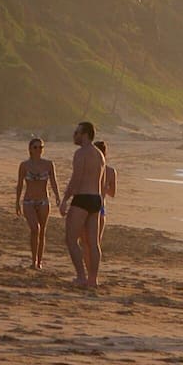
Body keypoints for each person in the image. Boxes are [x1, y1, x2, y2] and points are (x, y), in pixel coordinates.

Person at [60, 122, 107, 288]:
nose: (74, 135)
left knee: (71, 239)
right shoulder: (100, 155)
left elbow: (76, 178)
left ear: (85, 134)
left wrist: (65, 199)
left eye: (77, 132)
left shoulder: (81, 153)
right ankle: (93, 279)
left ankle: (81, 276)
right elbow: (102, 182)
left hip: (82, 198)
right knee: (93, 243)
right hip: (96, 199)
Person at [15, 138, 61, 270]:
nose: (38, 150)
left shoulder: (48, 164)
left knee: (42, 232)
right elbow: (19, 185)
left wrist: (57, 196)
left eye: (41, 147)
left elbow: (53, 182)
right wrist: (17, 202)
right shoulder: (24, 165)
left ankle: (39, 262)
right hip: (29, 201)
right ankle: (33, 260)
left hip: (43, 201)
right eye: (35, 147)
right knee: (35, 229)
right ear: (30, 149)